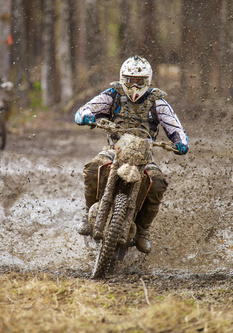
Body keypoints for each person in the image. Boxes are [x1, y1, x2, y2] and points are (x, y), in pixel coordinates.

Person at [74, 55, 189, 254]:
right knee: (93, 168)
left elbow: (176, 128)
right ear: (122, 78)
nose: (134, 86)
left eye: (139, 81)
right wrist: (86, 116)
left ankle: (143, 230)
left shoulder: (157, 101)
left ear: (148, 80)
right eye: (130, 80)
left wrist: (181, 142)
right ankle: (88, 213)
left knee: (158, 183)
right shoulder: (113, 94)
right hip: (113, 149)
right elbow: (84, 110)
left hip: (144, 156)